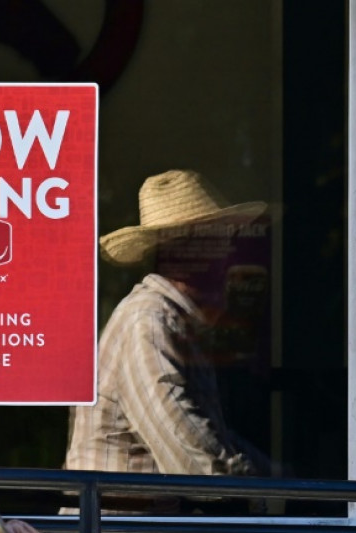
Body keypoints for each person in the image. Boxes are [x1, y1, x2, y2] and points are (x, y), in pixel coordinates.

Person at [64, 169, 270, 513]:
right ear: (188, 248)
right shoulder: (149, 322)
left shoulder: (171, 321)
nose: (230, 252)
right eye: (220, 238)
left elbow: (205, 435)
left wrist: (268, 473)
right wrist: (257, 485)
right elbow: (192, 456)